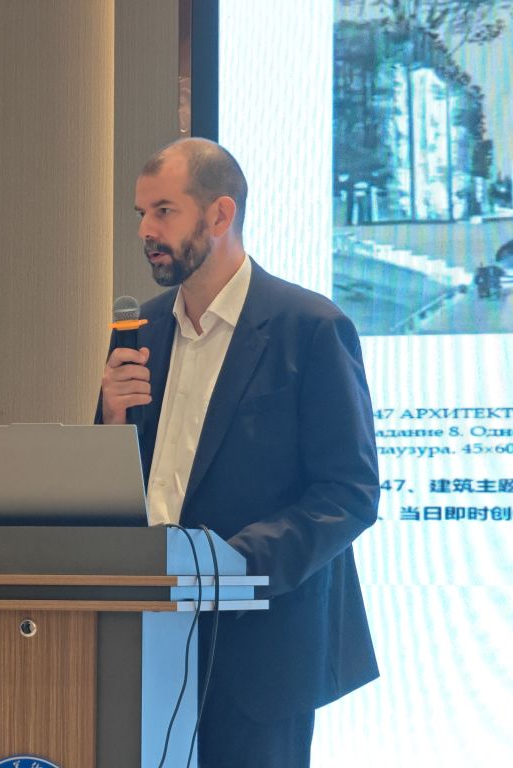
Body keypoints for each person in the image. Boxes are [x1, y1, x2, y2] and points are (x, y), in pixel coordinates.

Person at [97, 138, 380, 766]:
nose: (146, 231)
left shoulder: (310, 328)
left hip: (260, 651)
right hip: (142, 638)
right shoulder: (141, 331)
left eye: (164, 212)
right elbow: (120, 488)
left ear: (220, 214)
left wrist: (231, 564)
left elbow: (349, 494)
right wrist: (111, 421)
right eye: (141, 214)